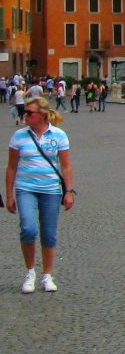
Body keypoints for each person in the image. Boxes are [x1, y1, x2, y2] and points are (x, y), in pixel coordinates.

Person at [6, 95, 74, 293]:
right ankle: (30, 273)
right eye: (24, 112)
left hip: (51, 190)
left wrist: (68, 191)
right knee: (28, 228)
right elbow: (11, 168)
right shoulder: (19, 136)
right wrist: (9, 195)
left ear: (43, 115)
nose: (25, 115)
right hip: (25, 188)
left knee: (49, 233)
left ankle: (47, 275)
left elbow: (66, 166)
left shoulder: (59, 135)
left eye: (29, 113)